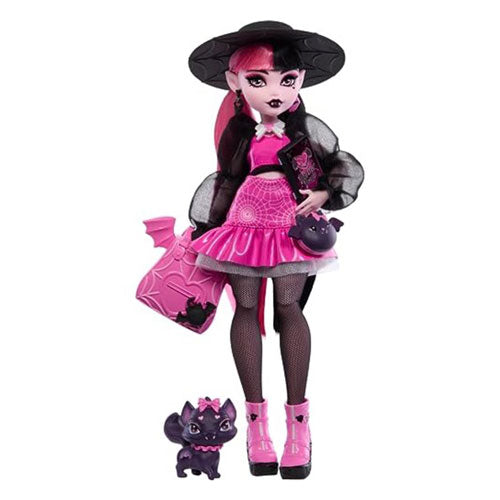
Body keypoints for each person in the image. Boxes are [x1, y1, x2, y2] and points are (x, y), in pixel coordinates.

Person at [187, 21, 364, 479]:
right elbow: (226, 179)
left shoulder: (307, 129)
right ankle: (256, 426)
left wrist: (324, 194)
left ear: (300, 79)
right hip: (244, 223)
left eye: (287, 80)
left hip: (291, 225)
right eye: (258, 80)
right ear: (235, 82)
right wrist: (204, 227)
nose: (274, 92)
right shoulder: (240, 132)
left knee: (289, 307)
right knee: (245, 308)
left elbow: (340, 163)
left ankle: (298, 428)